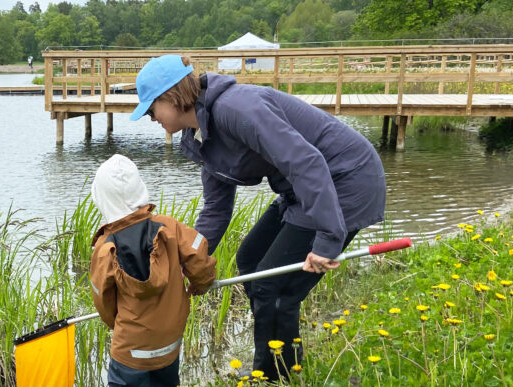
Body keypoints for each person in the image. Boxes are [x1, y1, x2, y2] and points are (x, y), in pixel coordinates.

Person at [128, 55, 386, 381]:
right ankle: (276, 361)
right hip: (301, 190)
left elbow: (306, 163)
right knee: (249, 260)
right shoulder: (200, 137)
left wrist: (328, 239)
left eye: (151, 109)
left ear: (172, 96)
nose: (151, 118)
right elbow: (216, 211)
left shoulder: (238, 109)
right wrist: (185, 262)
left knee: (273, 286)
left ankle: (273, 375)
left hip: (345, 181)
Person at [89, 154, 217, 387]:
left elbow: (104, 302)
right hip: (169, 345)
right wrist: (200, 284)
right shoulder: (169, 226)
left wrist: (118, 323)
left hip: (130, 353)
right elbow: (199, 260)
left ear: (101, 197)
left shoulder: (105, 246)